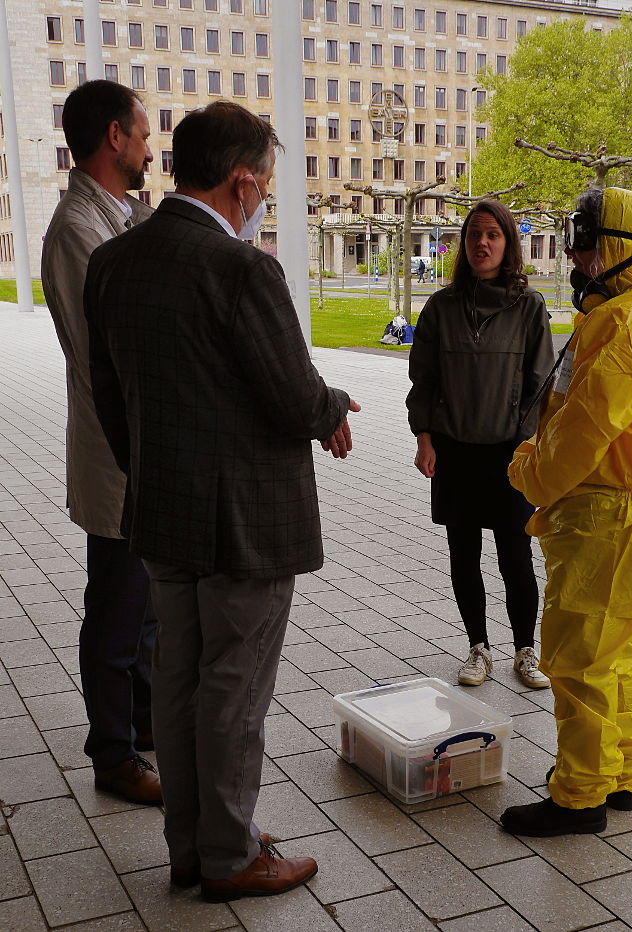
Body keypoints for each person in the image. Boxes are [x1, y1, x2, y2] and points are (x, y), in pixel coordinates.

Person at [84, 101, 358, 901]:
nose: (265, 196)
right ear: (242, 182)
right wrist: (333, 406)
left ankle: (194, 844)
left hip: (162, 514)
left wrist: (153, 468)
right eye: (265, 183)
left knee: (176, 684)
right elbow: (293, 394)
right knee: (233, 688)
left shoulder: (115, 262)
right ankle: (232, 856)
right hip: (245, 524)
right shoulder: (244, 268)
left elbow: (109, 397)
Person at [500, 187, 632, 837]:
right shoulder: (630, 308)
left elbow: (584, 426)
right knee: (615, 650)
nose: (577, 255)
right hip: (625, 509)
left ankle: (580, 795)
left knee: (578, 656)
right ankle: (621, 772)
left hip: (609, 511)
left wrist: (529, 472)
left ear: (615, 244)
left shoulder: (628, 320)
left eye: (586, 241)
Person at [40, 80, 161, 804]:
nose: (150, 146)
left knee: (143, 608)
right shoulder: (75, 230)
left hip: (141, 448)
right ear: (114, 137)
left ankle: (142, 725)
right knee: (116, 609)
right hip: (117, 449)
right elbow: (108, 349)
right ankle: (112, 754)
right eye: (143, 133)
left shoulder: (121, 215)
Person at [406, 199, 554, 689]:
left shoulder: (528, 307)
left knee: (516, 555)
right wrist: (425, 437)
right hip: (454, 451)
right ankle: (477, 647)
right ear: (463, 244)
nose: (482, 244)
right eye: (474, 235)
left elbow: (539, 386)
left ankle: (525, 649)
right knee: (462, 553)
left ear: (508, 243)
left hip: (508, 454)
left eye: (492, 235)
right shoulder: (442, 308)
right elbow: (422, 380)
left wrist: (524, 446)